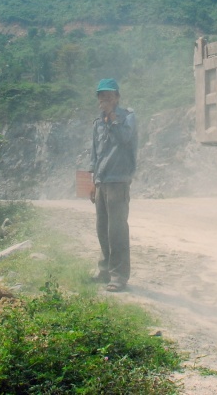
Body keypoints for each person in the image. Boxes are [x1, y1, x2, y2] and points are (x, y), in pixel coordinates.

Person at [89, 78, 138, 292]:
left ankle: (119, 277)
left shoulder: (128, 118)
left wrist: (114, 119)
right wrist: (93, 182)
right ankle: (104, 270)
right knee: (102, 229)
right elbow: (95, 154)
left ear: (117, 97)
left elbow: (125, 140)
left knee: (117, 230)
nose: (104, 99)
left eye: (109, 96)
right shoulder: (97, 123)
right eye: (101, 96)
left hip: (118, 180)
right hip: (101, 181)